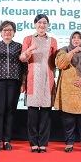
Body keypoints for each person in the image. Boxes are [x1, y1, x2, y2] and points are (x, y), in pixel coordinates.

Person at [0, 20, 26, 151]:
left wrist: (23, 82)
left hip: (14, 81)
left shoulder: (19, 46)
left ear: (14, 32)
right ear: (1, 32)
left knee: (10, 110)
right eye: (5, 30)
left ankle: (7, 140)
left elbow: (24, 66)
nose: (7, 32)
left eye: (10, 30)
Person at [20, 13, 58, 152]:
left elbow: (55, 61)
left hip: (48, 78)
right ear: (35, 24)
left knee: (46, 114)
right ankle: (33, 143)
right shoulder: (28, 39)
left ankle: (43, 143)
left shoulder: (52, 40)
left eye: (44, 23)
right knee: (33, 114)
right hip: (33, 78)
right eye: (39, 22)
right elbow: (22, 58)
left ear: (47, 25)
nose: (42, 25)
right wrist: (29, 50)